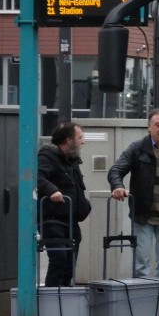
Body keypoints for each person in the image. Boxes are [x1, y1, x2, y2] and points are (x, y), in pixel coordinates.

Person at [109, 109, 159, 279]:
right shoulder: (137, 149)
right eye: (158, 125)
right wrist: (117, 186)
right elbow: (116, 170)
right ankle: (141, 299)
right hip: (143, 215)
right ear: (149, 128)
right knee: (141, 262)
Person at [37, 122, 92, 286]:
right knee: (59, 259)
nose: (83, 141)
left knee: (69, 266)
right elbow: (37, 177)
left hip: (71, 221)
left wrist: (84, 206)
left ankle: (64, 302)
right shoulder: (47, 156)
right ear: (69, 140)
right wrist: (52, 190)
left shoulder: (72, 161)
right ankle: (51, 301)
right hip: (52, 220)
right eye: (80, 137)